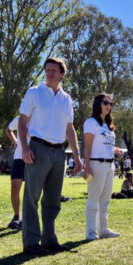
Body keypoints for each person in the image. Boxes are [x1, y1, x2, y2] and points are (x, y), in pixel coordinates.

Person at [19, 58, 82, 254]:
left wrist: (77, 157)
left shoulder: (67, 99)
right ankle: (31, 243)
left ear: (62, 74)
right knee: (32, 197)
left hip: (59, 153)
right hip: (38, 148)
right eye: (47, 70)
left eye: (54, 70)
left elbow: (70, 129)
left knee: (53, 199)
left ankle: (49, 239)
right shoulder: (34, 93)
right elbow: (22, 122)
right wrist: (25, 148)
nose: (50, 73)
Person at [83, 93, 120, 240]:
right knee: (93, 199)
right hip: (96, 164)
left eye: (110, 104)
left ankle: (104, 230)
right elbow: (88, 146)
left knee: (105, 200)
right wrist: (87, 166)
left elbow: (106, 145)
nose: (108, 106)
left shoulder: (108, 125)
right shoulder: (91, 122)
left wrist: (115, 150)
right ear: (98, 103)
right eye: (105, 103)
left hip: (110, 165)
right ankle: (91, 232)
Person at [5, 115, 26, 230]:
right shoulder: (19, 119)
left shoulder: (41, 117)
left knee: (31, 192)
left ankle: (28, 218)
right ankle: (17, 216)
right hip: (19, 158)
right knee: (15, 189)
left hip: (34, 158)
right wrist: (15, 141)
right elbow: (8, 130)